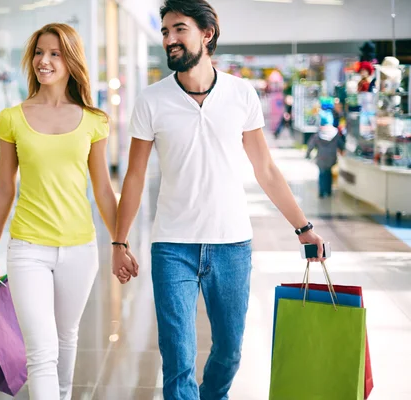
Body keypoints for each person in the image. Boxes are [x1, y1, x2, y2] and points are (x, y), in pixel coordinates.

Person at [111, 1, 327, 399]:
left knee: (229, 352)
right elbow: (136, 176)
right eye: (164, 31)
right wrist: (119, 242)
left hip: (232, 245)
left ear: (206, 34)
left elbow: (265, 169)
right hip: (172, 246)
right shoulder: (151, 100)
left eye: (179, 29)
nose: (169, 39)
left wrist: (304, 228)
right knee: (177, 358)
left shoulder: (240, 94)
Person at [0, 23, 135, 400]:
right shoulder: (11, 118)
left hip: (80, 249)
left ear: (70, 61)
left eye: (55, 53)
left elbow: (102, 189)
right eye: (39, 52)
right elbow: (4, 188)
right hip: (28, 247)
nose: (43, 61)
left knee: (66, 338)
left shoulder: (93, 120)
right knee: (41, 352)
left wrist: (119, 243)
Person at [306, 111, 346, 198]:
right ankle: (328, 191)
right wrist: (342, 151)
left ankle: (321, 192)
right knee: (329, 173)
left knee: (322, 174)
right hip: (332, 157)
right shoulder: (335, 133)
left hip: (321, 158)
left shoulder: (319, 133)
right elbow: (341, 145)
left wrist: (308, 153)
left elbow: (311, 144)